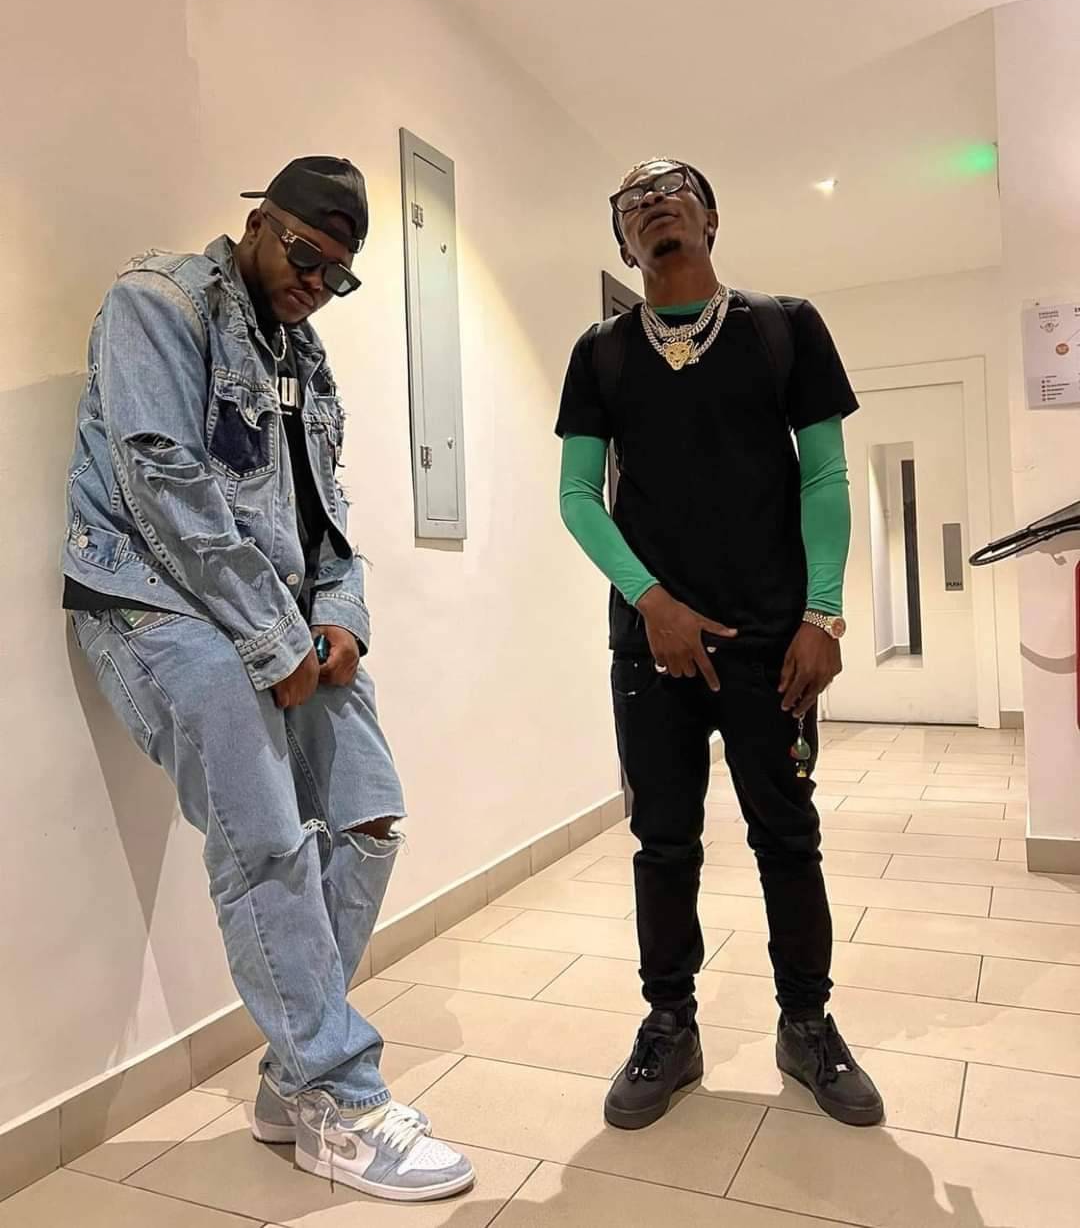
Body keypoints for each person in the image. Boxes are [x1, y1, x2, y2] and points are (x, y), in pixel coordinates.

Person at [62, 157, 474, 1201]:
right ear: (258, 222)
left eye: (339, 273)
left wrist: (339, 616)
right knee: (266, 837)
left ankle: (291, 1081)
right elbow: (161, 480)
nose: (316, 283)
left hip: (277, 618)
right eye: (304, 255)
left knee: (370, 814)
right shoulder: (157, 302)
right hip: (150, 600)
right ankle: (337, 1095)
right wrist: (273, 634)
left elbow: (328, 510)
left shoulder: (308, 359)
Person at [555, 157, 883, 1131]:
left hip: (774, 640)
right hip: (651, 646)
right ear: (623, 242)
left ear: (711, 218)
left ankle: (807, 1023)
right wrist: (652, 600)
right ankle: (671, 1024)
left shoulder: (784, 328)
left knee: (786, 832)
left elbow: (824, 477)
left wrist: (823, 614)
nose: (654, 201)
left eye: (675, 189)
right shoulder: (602, 354)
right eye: (633, 200)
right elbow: (577, 497)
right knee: (663, 840)